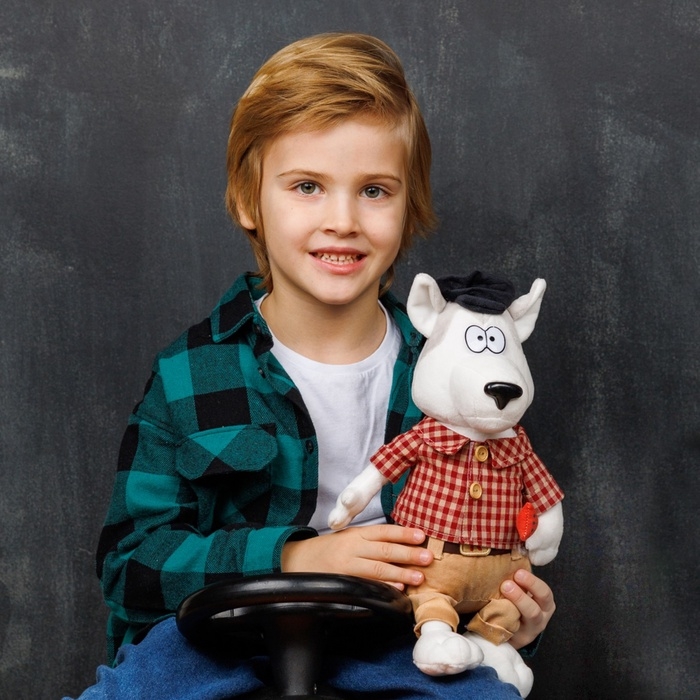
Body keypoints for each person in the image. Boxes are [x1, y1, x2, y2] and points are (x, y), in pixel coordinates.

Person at [65, 32, 555, 700]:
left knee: (484, 694)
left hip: (400, 640)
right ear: (249, 201)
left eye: (374, 190)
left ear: (409, 206)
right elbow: (132, 567)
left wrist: (515, 614)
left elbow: (496, 538)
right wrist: (294, 556)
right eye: (307, 187)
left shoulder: (452, 373)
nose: (342, 220)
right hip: (218, 645)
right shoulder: (192, 372)